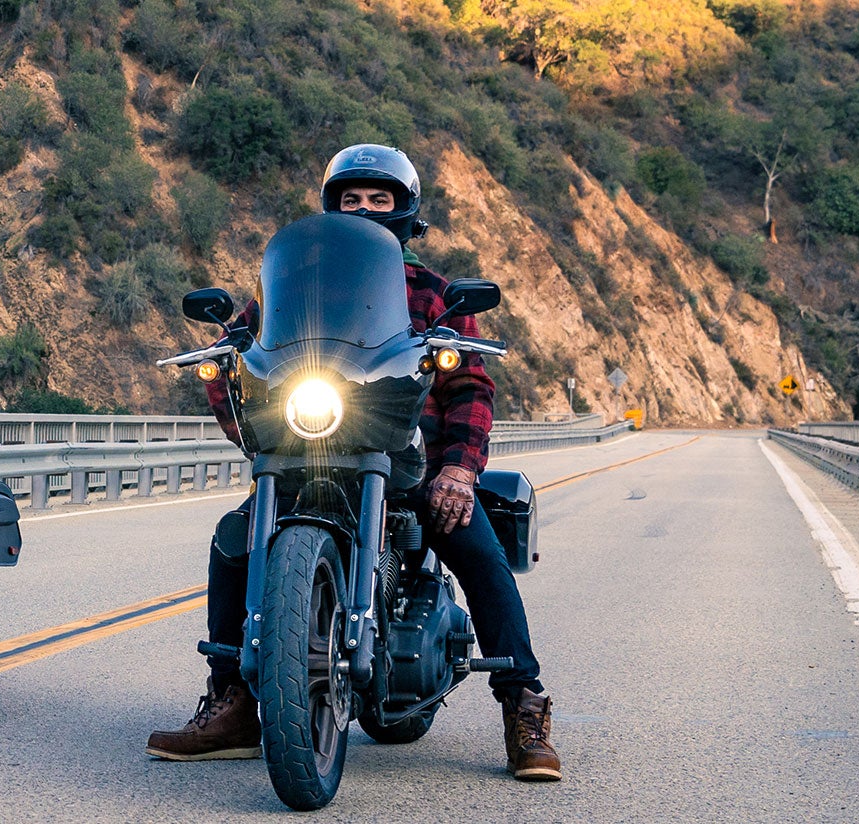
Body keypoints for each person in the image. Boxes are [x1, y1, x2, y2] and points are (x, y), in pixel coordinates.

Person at [142, 145, 561, 781]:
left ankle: (522, 704)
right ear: (331, 207)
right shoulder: (294, 286)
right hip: (306, 452)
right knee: (233, 543)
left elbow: (471, 388)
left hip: (406, 459)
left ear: (405, 210)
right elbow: (239, 353)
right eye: (351, 199)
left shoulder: (432, 293)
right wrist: (252, 425)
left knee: (478, 551)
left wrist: (458, 470)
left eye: (378, 199)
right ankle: (234, 701)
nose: (363, 208)